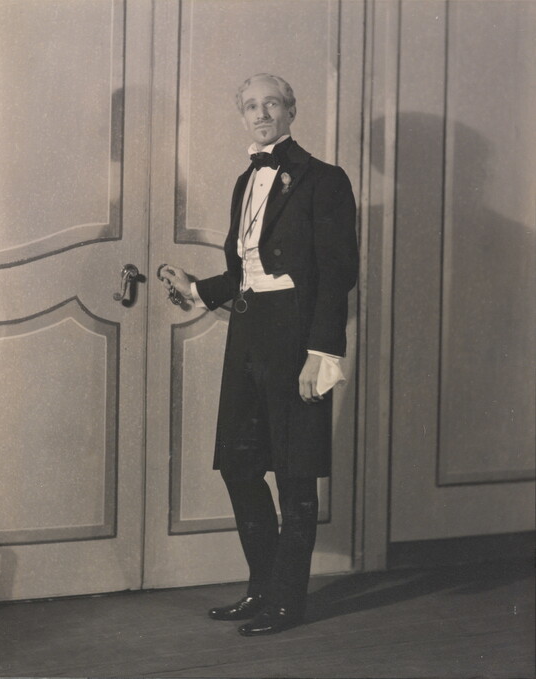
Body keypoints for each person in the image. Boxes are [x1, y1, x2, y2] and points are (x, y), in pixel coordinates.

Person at [158, 73, 358, 636]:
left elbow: (337, 274)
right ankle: (262, 589)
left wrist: (322, 353)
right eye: (251, 106)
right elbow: (245, 272)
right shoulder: (245, 180)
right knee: (239, 464)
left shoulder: (324, 180)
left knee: (295, 472)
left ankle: (287, 602)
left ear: (291, 111)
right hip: (248, 334)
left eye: (272, 103)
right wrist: (197, 289)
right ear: (243, 116)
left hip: (297, 337)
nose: (262, 113)